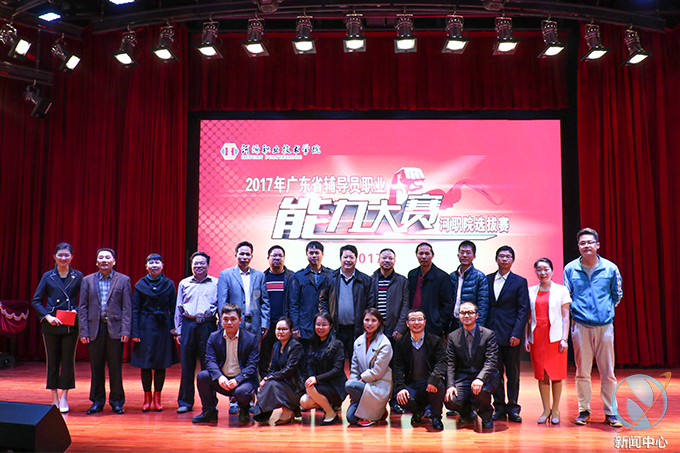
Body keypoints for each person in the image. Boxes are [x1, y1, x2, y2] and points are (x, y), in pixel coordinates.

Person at [564, 228, 623, 427]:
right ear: (578, 246)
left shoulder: (610, 268)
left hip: (605, 327)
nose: (586, 246)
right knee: (582, 372)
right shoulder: (570, 269)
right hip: (580, 326)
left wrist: (604, 311)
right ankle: (584, 410)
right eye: (582, 243)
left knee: (608, 372)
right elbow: (567, 296)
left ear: (597, 245)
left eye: (590, 242)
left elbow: (617, 295)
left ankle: (610, 412)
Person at [78, 248, 132, 415]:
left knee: (115, 368)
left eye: (107, 257)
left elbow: (127, 307)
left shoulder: (123, 280)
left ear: (114, 261)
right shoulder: (87, 280)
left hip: (115, 329)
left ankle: (117, 401)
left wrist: (126, 330)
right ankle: (97, 401)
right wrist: (83, 331)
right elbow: (83, 307)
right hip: (95, 329)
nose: (104, 260)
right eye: (101, 257)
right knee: (96, 367)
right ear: (96, 262)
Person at [31, 242, 83, 413]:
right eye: (60, 255)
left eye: (66, 255)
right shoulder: (48, 276)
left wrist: (76, 311)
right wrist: (48, 316)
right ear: (54, 257)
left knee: (68, 361)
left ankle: (64, 396)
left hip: (70, 323)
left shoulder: (78, 276)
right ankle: (54, 396)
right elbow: (36, 301)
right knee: (52, 361)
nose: (63, 258)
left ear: (72, 257)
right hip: (51, 324)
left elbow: (85, 300)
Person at [192, 303, 260, 424]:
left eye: (233, 319)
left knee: (241, 392)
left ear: (240, 320)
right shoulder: (214, 337)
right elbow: (210, 360)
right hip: (222, 379)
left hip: (242, 380)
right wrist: (219, 376)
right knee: (202, 376)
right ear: (220, 320)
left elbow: (252, 365)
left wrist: (237, 380)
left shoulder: (250, 338)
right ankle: (209, 411)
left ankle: (244, 410)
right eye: (226, 319)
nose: (229, 323)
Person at [130, 253, 179, 412]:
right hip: (145, 326)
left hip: (164, 326)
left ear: (162, 266)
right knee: (145, 364)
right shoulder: (140, 284)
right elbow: (135, 309)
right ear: (146, 266)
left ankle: (157, 398)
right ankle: (147, 398)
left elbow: (174, 308)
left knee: (161, 364)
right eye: (151, 263)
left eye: (157, 262)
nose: (154, 265)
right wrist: (135, 332)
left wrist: (174, 328)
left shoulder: (169, 284)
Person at [486, 245, 529, 423]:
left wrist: (517, 333)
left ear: (513, 260)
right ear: (496, 259)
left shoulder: (519, 281)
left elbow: (523, 310)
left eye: (508, 256)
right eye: (501, 256)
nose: (504, 259)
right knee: (494, 373)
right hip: (491, 335)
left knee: (513, 373)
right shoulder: (487, 279)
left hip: (511, 335)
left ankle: (513, 407)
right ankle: (499, 407)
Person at [525, 258, 571, 424]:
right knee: (542, 375)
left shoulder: (561, 290)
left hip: (555, 337)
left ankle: (556, 409)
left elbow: (566, 317)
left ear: (552, 270)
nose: (542, 273)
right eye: (539, 270)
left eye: (546, 269)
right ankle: (545, 409)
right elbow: (528, 318)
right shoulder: (530, 291)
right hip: (537, 337)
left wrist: (564, 338)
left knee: (556, 374)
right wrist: (526, 338)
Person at [174, 251, 218, 414]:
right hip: (189, 325)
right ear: (191, 265)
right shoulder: (184, 283)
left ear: (208, 265)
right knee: (187, 366)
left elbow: (220, 307)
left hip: (208, 326)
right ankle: (185, 402)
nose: (199, 266)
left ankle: (210, 403)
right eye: (196, 263)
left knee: (209, 367)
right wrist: (179, 331)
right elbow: (179, 308)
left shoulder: (216, 283)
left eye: (202, 263)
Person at [445, 302, 499, 430]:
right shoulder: (453, 336)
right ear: (459, 315)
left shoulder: (488, 335)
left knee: (481, 391)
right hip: (463, 376)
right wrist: (450, 385)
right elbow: (450, 363)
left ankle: (486, 415)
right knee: (451, 400)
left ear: (477, 315)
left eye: (470, 312)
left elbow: (491, 361)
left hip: (485, 376)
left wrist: (480, 379)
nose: (466, 315)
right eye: (463, 312)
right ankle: (467, 411)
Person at [393, 309, 447, 431]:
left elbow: (442, 362)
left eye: (419, 319)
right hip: (411, 384)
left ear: (425, 322)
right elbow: (397, 366)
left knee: (439, 386)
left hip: (429, 383)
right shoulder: (401, 342)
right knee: (402, 398)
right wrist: (400, 388)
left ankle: (436, 417)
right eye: (412, 320)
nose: (416, 323)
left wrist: (433, 379)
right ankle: (417, 411)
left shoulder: (435, 340)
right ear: (407, 323)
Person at [319, 244, 375, 361]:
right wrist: (327, 320)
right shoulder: (330, 278)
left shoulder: (365, 280)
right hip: (335, 329)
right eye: (345, 257)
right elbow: (323, 300)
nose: (348, 260)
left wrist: (366, 324)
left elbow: (371, 304)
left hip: (357, 329)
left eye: (351, 257)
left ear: (356, 259)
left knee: (357, 361)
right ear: (340, 259)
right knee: (334, 361)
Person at [345, 308, 393, 427]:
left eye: (373, 320)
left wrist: (358, 383)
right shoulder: (358, 341)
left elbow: (377, 372)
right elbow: (354, 368)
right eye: (367, 320)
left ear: (379, 323)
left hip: (378, 384)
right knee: (351, 418)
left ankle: (377, 410)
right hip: (363, 385)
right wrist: (354, 385)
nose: (369, 324)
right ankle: (380, 410)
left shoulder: (385, 343)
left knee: (350, 385)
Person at [253, 317, 305, 425]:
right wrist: (266, 380)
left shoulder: (296, 347)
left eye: (284, 329)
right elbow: (272, 369)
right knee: (268, 384)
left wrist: (267, 379)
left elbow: (288, 370)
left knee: (272, 384)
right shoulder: (276, 345)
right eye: (278, 329)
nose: (281, 332)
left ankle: (289, 410)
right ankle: (288, 410)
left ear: (291, 331)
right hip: (284, 385)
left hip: (296, 389)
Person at [300, 312, 347, 425]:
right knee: (304, 401)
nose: (320, 327)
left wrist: (316, 379)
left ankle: (331, 414)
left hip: (336, 387)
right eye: (318, 324)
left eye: (324, 324)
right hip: (321, 386)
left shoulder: (337, 344)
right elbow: (310, 365)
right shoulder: (313, 343)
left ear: (330, 326)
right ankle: (329, 406)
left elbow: (337, 370)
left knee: (310, 389)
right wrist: (311, 379)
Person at [217, 241, 270, 339]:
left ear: (252, 256)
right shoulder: (225, 275)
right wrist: (224, 324)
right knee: (233, 349)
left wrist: (265, 324)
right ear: (235, 255)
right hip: (232, 324)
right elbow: (222, 303)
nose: (245, 257)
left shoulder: (260, 276)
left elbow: (264, 303)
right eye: (241, 254)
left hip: (255, 324)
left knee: (254, 349)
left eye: (247, 254)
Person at [261, 245, 296, 377]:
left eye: (280, 256)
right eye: (274, 255)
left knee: (286, 356)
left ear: (284, 258)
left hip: (286, 325)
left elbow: (295, 302)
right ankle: (264, 383)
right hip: (268, 325)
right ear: (268, 258)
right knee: (264, 357)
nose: (277, 258)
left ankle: (284, 384)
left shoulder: (292, 277)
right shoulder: (261, 277)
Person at [289, 241, 332, 349]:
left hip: (325, 326)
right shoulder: (298, 276)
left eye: (317, 253)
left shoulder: (331, 275)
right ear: (306, 254)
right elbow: (294, 304)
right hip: (304, 326)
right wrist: (295, 326)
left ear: (322, 254)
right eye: (311, 253)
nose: (314, 256)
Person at [407, 243, 453, 337]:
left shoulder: (442, 277)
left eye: (427, 254)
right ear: (416, 255)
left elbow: (447, 305)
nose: (424, 257)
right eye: (421, 253)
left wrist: (440, 324)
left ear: (432, 255)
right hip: (413, 325)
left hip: (433, 327)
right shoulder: (412, 274)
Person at [370, 248, 410, 340]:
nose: (387, 260)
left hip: (395, 330)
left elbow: (406, 306)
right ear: (378, 260)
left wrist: (400, 328)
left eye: (390, 258)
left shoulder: (402, 281)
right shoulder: (371, 280)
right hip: (375, 329)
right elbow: (368, 306)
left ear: (394, 261)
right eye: (384, 258)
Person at [450, 241, 489, 329]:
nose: (464, 255)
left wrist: (478, 328)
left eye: (468, 253)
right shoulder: (452, 276)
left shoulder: (480, 277)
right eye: (462, 252)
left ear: (474, 256)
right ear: (458, 255)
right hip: (453, 323)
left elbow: (483, 306)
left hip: (470, 323)